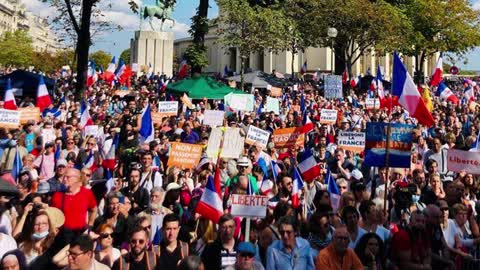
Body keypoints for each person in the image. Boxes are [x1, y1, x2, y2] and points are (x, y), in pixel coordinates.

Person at [51, 168, 97, 241]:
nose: (64, 179)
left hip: (80, 234)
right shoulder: (57, 195)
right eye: (64, 177)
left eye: (68, 177)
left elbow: (94, 209)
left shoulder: (87, 193)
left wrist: (90, 225)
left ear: (77, 179)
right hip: (62, 236)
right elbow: (52, 215)